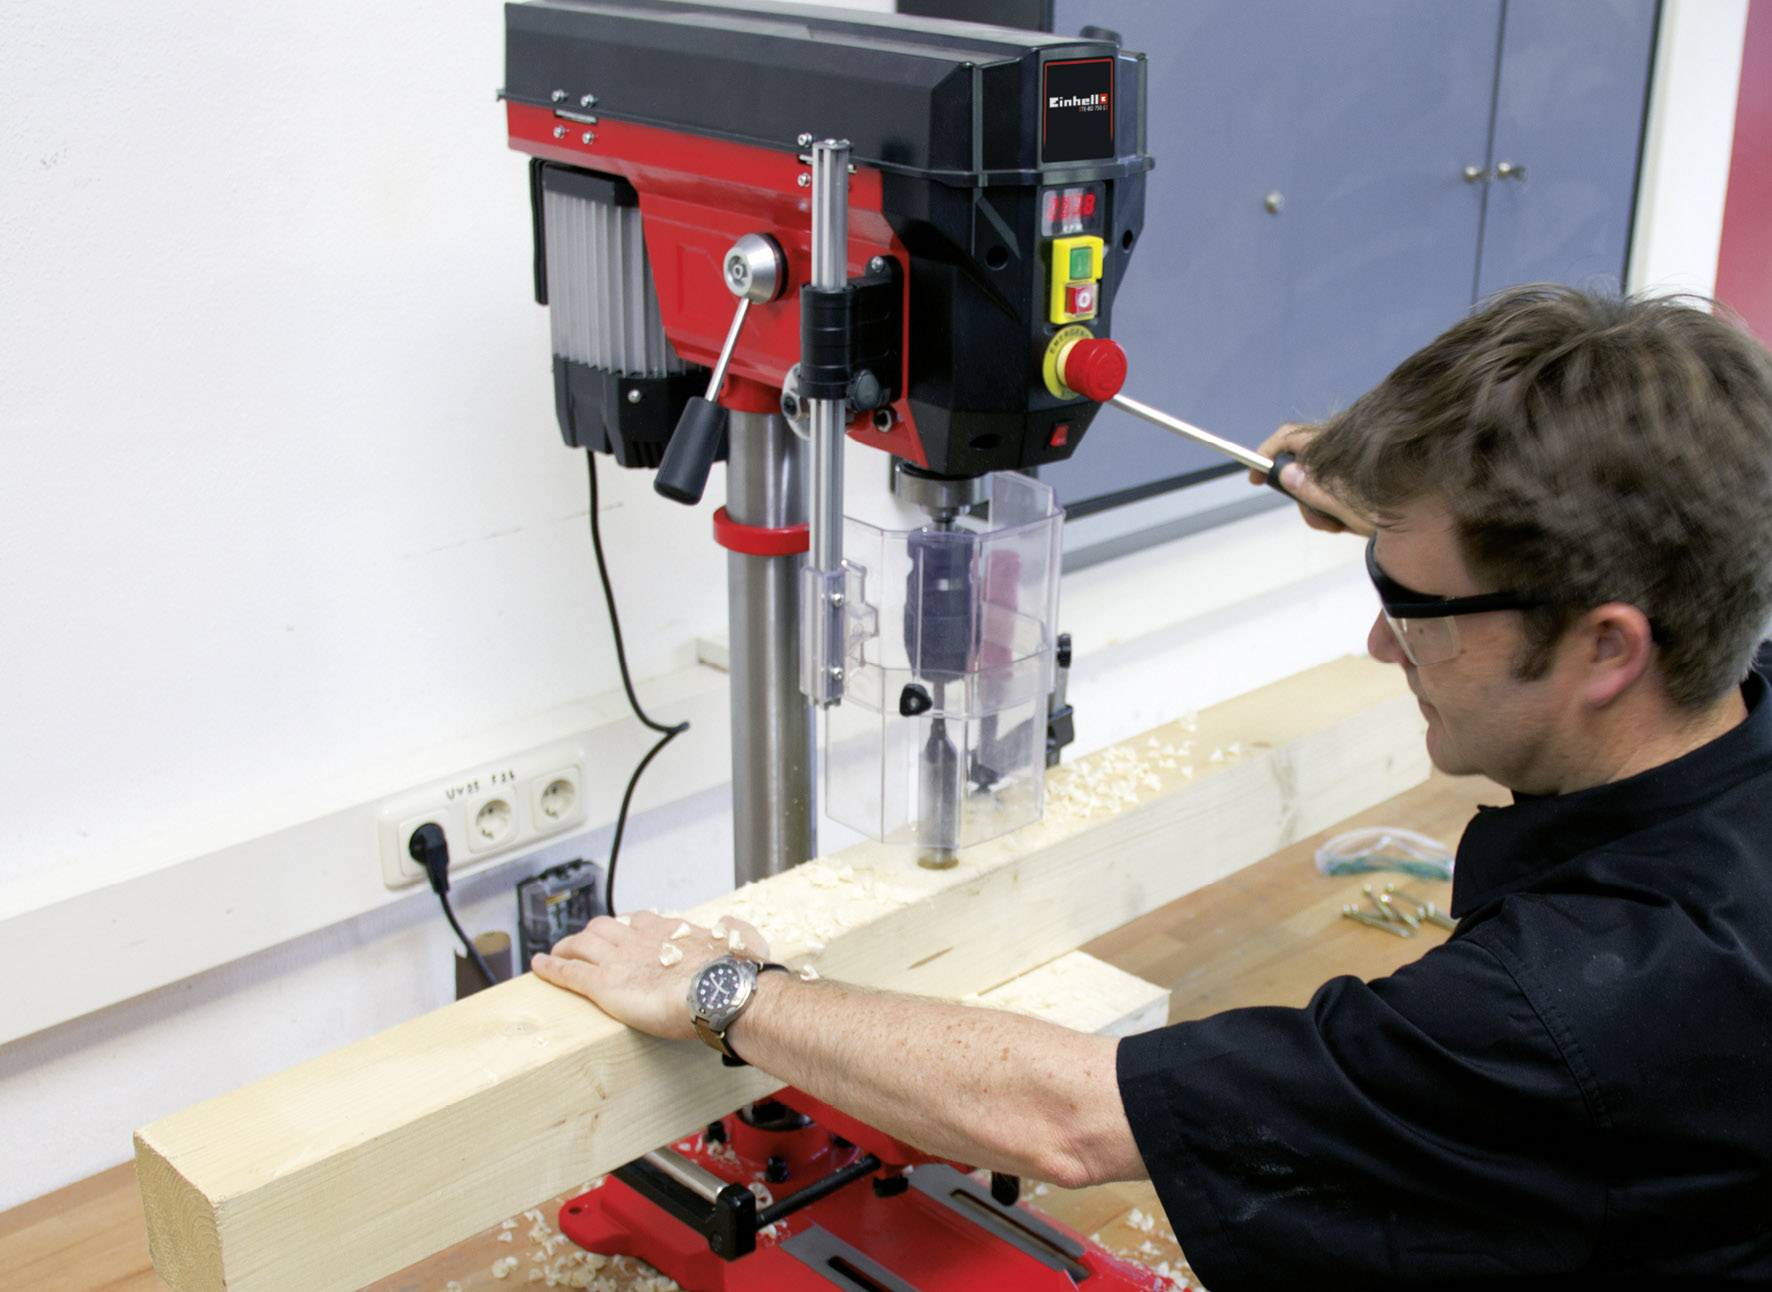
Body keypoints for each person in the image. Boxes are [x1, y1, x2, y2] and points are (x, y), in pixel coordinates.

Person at [531, 286, 1772, 1286]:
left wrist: (722, 988)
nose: (1380, 646)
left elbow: (1071, 1119)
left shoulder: (1565, 1008)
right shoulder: (1726, 685)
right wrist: (1388, 507)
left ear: (1609, 647)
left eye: (1414, 609)